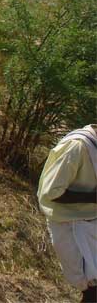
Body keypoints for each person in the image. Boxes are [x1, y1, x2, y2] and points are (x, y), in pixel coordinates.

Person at [37, 126, 97, 303]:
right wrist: (94, 197)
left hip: (89, 220)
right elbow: (51, 192)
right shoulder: (77, 146)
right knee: (92, 289)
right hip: (71, 224)